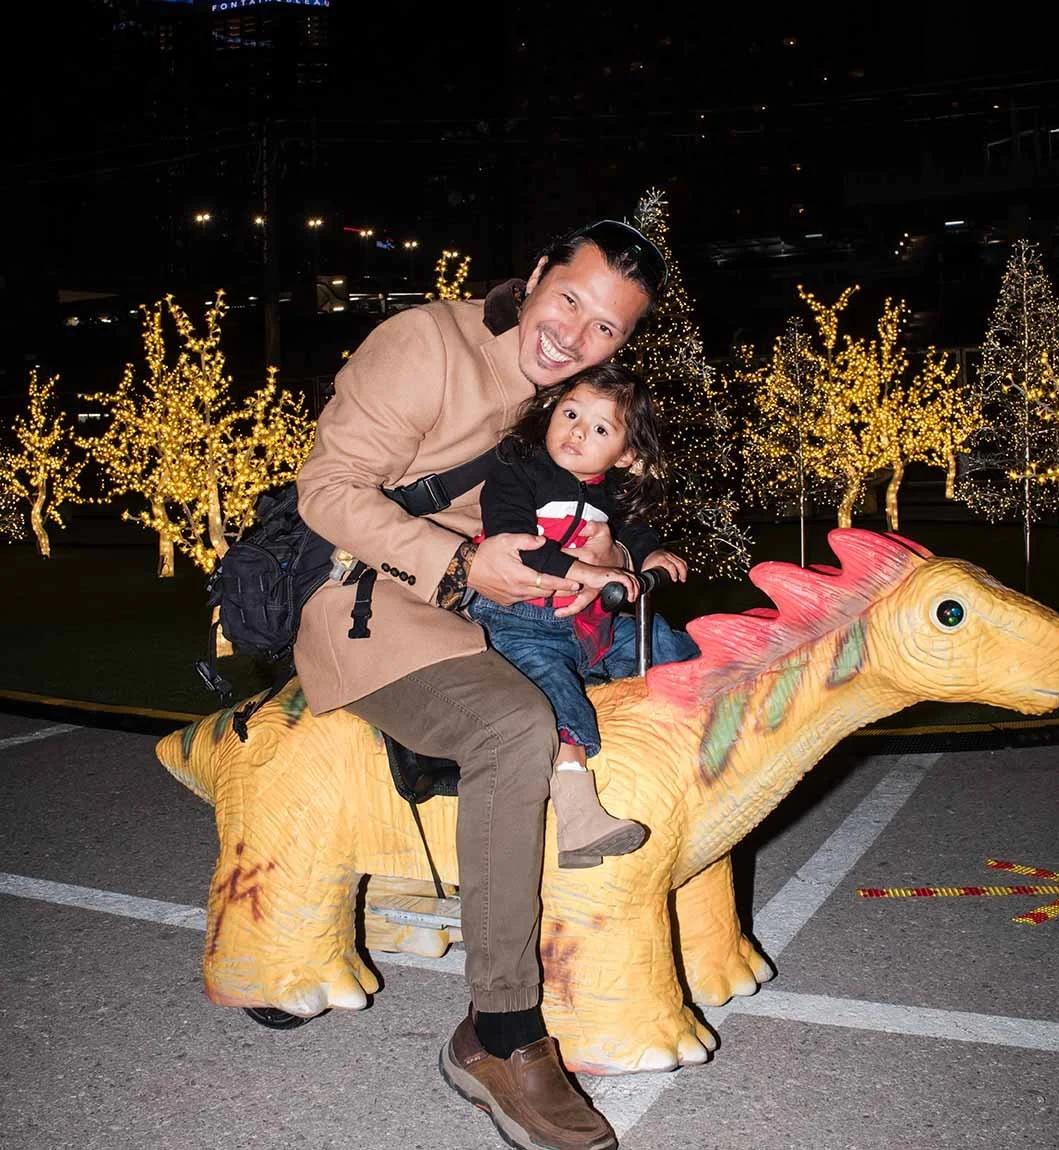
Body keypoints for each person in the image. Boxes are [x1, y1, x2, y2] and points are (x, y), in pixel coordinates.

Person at [294, 219, 670, 1150]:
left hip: (515, 606)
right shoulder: (428, 343)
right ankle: (498, 1033)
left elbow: (585, 509)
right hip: (377, 604)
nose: (573, 336)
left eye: (605, 330)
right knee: (516, 724)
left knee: (664, 690)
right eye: (569, 300)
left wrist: (610, 556)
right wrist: (461, 570)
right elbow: (328, 488)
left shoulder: (575, 400)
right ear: (536, 273)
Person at [466, 363, 699, 869]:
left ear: (627, 454)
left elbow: (630, 534)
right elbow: (516, 548)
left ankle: (694, 736)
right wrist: (588, 572)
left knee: (664, 644)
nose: (576, 432)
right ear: (550, 410)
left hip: (591, 622)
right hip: (520, 618)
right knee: (552, 694)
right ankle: (576, 811)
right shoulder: (517, 471)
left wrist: (646, 556)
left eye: (599, 429)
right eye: (570, 413)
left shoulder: (608, 492)